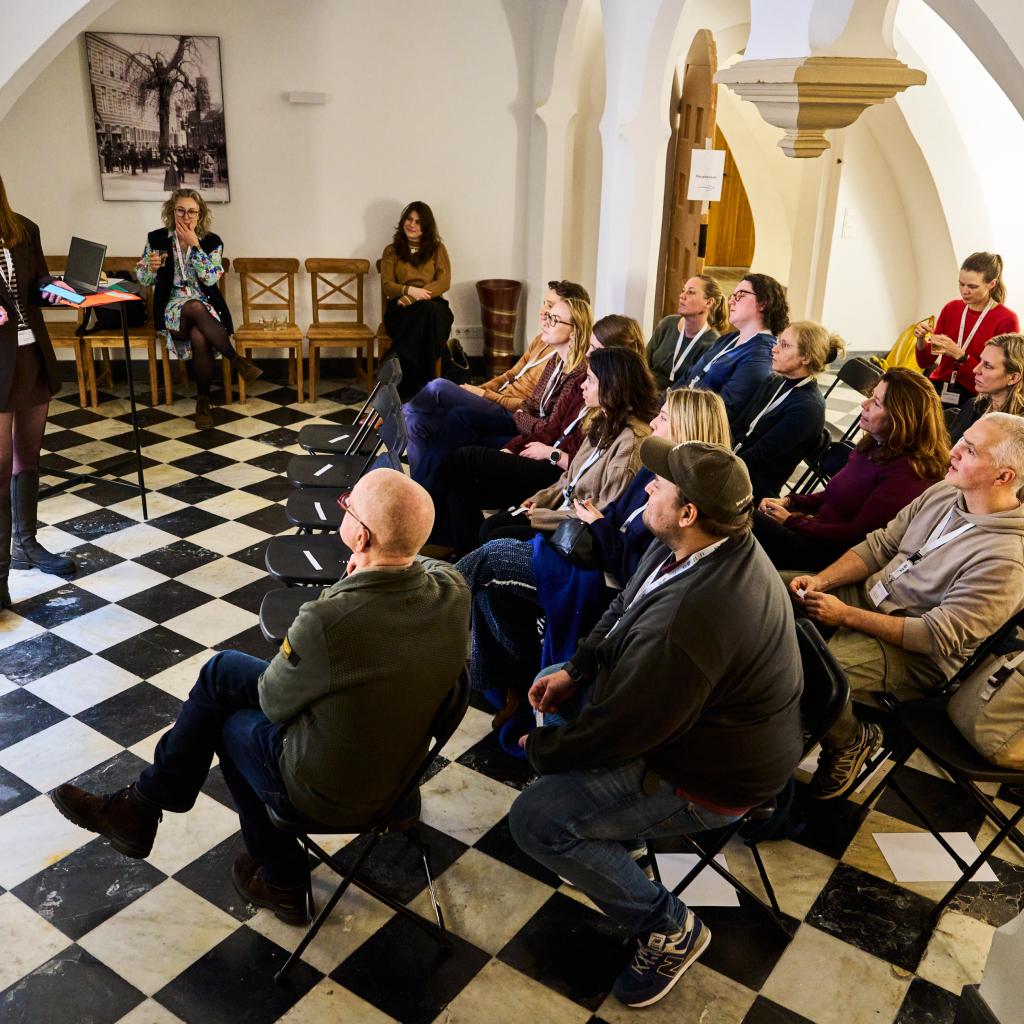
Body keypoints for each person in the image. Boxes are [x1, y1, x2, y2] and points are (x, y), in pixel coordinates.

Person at [50, 469, 470, 923]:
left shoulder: (328, 620)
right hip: (400, 771)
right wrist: (371, 567)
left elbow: (274, 703)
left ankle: (281, 879)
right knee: (222, 670)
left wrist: (345, 585)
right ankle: (140, 807)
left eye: (347, 505)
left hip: (330, 792)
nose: (341, 506)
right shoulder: (453, 591)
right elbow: (420, 567)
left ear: (361, 537)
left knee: (230, 725)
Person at [509, 438, 803, 1009]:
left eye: (661, 484)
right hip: (686, 722)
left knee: (535, 822)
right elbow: (623, 611)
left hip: (712, 775)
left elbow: (625, 730)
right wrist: (577, 667)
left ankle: (669, 927)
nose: (647, 487)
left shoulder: (691, 620)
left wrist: (545, 750)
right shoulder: (691, 546)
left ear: (689, 511)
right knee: (552, 675)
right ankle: (615, 834)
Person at [460, 388, 730, 741]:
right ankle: (510, 679)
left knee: (494, 558)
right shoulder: (655, 469)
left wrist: (601, 526)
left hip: (603, 583)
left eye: (663, 418)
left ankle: (424, 611)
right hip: (588, 558)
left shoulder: (684, 500)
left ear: (685, 427)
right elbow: (616, 515)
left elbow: (637, 570)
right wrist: (601, 523)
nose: (653, 422)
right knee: (491, 593)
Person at [788, 412, 1024, 800]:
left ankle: (849, 740)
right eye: (961, 440)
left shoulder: (1005, 560)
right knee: (764, 594)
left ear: (1003, 478)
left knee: (807, 673)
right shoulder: (947, 492)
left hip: (913, 650)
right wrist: (821, 581)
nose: (953, 451)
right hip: (870, 596)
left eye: (970, 450)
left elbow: (933, 636)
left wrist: (845, 615)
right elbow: (880, 544)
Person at [417, 294, 593, 546]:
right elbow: (529, 407)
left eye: (555, 319)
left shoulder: (578, 375)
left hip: (550, 462)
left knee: (462, 455)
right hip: (534, 441)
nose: (546, 320)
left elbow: (548, 428)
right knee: (456, 466)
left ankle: (423, 511)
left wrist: (521, 432)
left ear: (575, 331)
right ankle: (461, 546)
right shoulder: (556, 360)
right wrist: (519, 430)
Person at [757, 368, 948, 570]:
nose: (864, 404)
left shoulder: (907, 474)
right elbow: (832, 494)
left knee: (748, 522)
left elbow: (855, 536)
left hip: (830, 554)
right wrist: (789, 501)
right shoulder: (875, 444)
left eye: (876, 403)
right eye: (870, 397)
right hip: (814, 530)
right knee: (747, 516)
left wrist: (790, 521)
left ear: (900, 418)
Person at [403, 280, 590, 471]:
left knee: (439, 388)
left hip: (507, 409)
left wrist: (485, 395)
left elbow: (535, 413)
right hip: (511, 409)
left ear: (574, 323)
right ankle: (419, 491)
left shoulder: (570, 363)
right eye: (545, 306)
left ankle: (396, 415)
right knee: (417, 422)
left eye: (551, 310)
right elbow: (511, 375)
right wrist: (479, 390)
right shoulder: (544, 344)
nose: (542, 312)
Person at [0, 174, 77, 604]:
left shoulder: (23, 229)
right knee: (0, 464)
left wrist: (61, 293)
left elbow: (39, 285)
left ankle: (25, 544)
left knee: (28, 456)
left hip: (31, 357)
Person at [136, 188, 260, 430]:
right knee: (192, 307)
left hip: (205, 308)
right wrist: (150, 269)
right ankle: (235, 359)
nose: (186, 217)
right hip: (172, 307)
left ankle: (203, 402)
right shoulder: (157, 239)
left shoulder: (212, 242)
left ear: (200, 214)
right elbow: (144, 279)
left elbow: (211, 278)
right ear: (172, 212)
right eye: (181, 210)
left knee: (200, 336)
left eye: (192, 211)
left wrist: (196, 247)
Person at [729, 321, 844, 500]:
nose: (774, 349)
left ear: (805, 357)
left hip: (751, 487)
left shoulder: (808, 408)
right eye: (778, 342)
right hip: (734, 461)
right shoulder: (775, 380)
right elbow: (738, 424)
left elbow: (761, 456)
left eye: (784, 345)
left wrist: (720, 464)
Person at [914, 252, 1019, 411]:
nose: (964, 291)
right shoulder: (952, 308)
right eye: (961, 284)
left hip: (975, 397)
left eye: (972, 286)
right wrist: (921, 341)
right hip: (938, 388)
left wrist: (961, 356)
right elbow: (925, 362)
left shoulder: (1007, 319)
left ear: (991, 284)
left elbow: (1000, 377)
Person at [683, 273, 788, 418]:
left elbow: (722, 412)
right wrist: (665, 404)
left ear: (763, 302)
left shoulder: (761, 356)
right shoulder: (728, 339)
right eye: (732, 296)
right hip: (679, 412)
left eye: (740, 295)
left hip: (696, 425)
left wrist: (675, 414)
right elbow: (689, 376)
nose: (731, 301)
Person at [380, 201, 454, 401]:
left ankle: (396, 363)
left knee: (428, 310)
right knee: (425, 314)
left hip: (431, 306)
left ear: (426, 227)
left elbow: (444, 282)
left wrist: (412, 297)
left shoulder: (437, 249)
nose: (412, 224)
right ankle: (423, 389)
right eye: (409, 219)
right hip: (401, 310)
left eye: (418, 222)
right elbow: (387, 285)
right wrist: (408, 290)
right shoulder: (391, 250)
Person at [646, 275, 727, 390]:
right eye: (683, 291)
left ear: (708, 302)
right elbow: (645, 361)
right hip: (647, 392)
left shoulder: (712, 344)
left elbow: (695, 389)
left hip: (676, 403)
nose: (682, 296)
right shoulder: (667, 323)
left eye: (691, 292)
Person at [950, 334, 1024, 443]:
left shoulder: (1018, 428)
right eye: (980, 361)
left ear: (1013, 378)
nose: (975, 370)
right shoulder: (973, 406)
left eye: (987, 366)